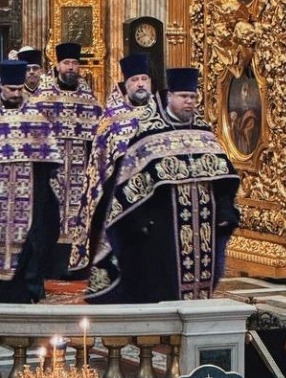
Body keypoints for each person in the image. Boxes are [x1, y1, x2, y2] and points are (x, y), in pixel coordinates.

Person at [86, 66, 241, 304]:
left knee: (199, 291)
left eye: (193, 97)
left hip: (203, 230)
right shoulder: (149, 133)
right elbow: (132, 183)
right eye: (183, 96)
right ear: (170, 96)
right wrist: (140, 222)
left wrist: (225, 209)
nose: (189, 102)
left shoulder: (204, 134)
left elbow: (223, 181)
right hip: (161, 231)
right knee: (163, 289)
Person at [0, 59, 62, 303]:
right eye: (11, 89)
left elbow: (49, 160)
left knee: (31, 236)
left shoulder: (35, 115)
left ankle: (24, 287)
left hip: (28, 192)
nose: (16, 94)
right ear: (1, 86)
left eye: (19, 89)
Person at [31, 41, 102, 277]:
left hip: (80, 170)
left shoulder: (88, 97)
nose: (71, 67)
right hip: (53, 169)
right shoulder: (43, 96)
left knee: (78, 213)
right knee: (50, 214)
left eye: (74, 63)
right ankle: (48, 265)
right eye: (66, 63)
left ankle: (74, 265)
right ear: (57, 65)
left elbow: (97, 136)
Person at [80, 53, 156, 248]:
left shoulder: (160, 116)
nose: (140, 84)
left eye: (144, 79)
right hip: (121, 198)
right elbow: (98, 165)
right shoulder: (112, 119)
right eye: (135, 80)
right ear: (126, 84)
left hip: (155, 197)